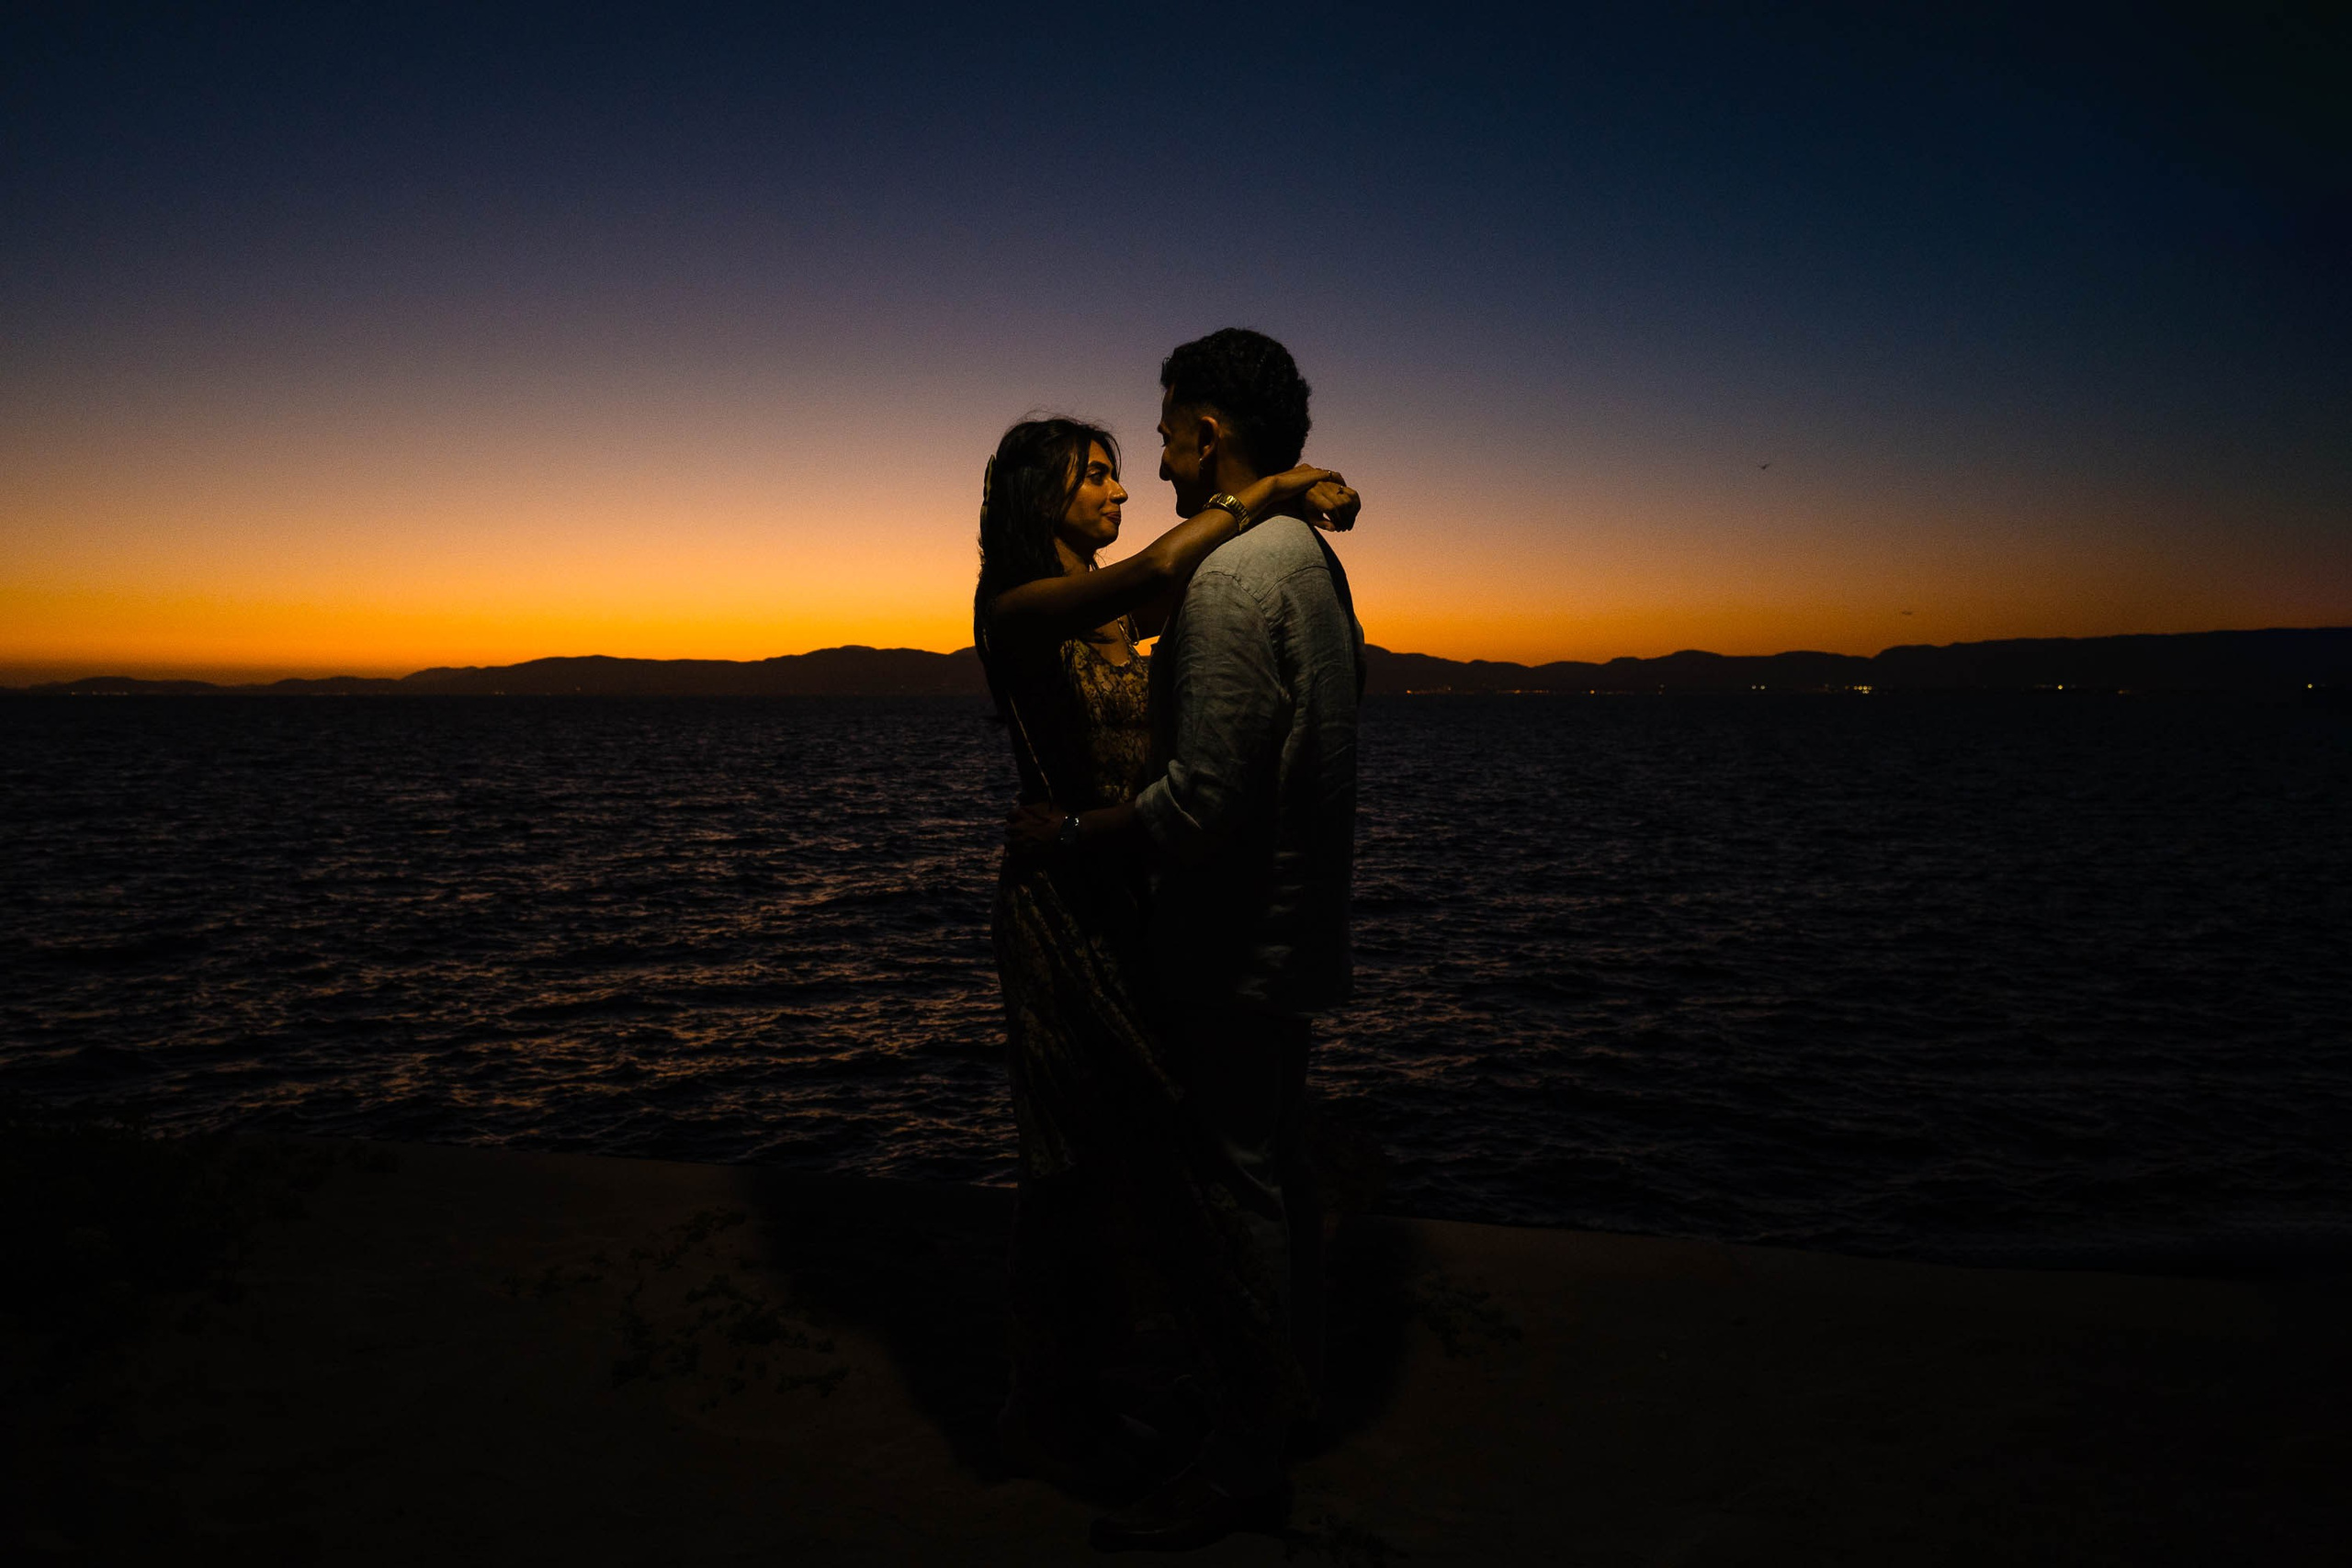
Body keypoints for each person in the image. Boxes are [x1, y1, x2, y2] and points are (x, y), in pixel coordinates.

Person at [1007, 328, 1367, 1552]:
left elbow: (1201, 801)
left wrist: (1078, 835)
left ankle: (1241, 1459)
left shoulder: (1233, 578)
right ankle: (1275, 1407)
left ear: (1205, 432)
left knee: (1233, 1194)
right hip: (1292, 923)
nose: (1151, 464)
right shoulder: (1305, 559)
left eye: (1161, 436)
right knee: (1275, 1177)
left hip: (1226, 937)